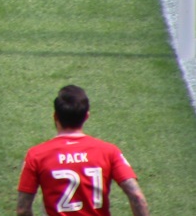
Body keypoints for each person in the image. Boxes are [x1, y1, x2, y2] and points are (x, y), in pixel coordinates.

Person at [16, 85, 149, 216]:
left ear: (55, 116)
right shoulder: (109, 151)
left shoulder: (36, 155)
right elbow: (136, 196)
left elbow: (23, 209)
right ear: (86, 116)